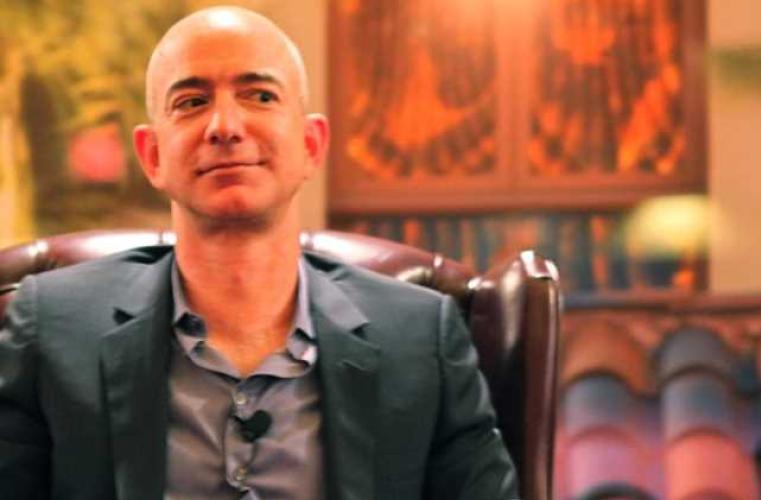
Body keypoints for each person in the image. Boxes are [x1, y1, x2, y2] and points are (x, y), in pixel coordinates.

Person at [0, 6, 518, 499]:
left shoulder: (420, 338)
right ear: (152, 156)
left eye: (260, 96)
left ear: (311, 145)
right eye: (192, 102)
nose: (225, 126)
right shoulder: (54, 328)